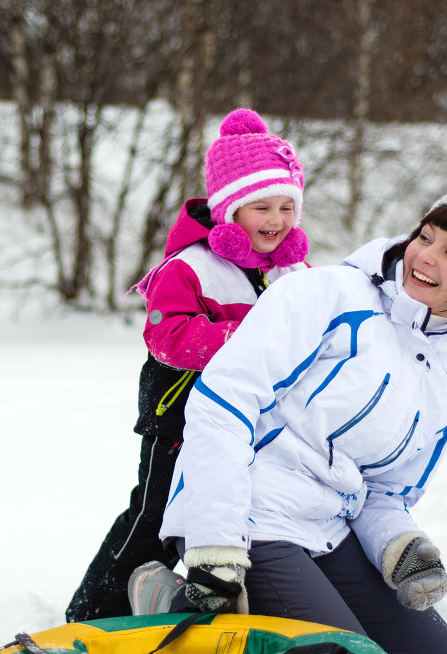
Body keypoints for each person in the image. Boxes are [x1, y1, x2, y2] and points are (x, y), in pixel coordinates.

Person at [130, 189, 447, 654]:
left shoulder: (443, 393)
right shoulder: (325, 295)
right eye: (425, 236)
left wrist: (400, 544)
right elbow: (221, 405)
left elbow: (385, 492)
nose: (425, 257)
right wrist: (216, 544)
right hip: (247, 515)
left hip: (328, 530)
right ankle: (177, 605)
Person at [64, 108, 311, 623]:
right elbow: (167, 337)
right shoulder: (191, 266)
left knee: (218, 516)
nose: (275, 219)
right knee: (154, 518)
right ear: (229, 209)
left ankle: (200, 601)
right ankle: (95, 614)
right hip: (177, 418)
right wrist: (247, 338)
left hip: (246, 423)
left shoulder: (293, 273)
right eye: (260, 206)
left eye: (287, 205)